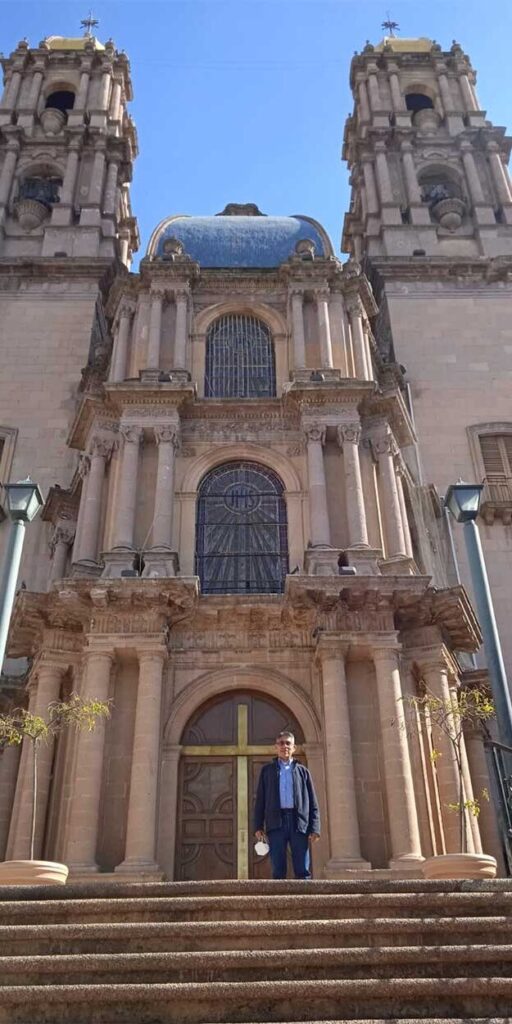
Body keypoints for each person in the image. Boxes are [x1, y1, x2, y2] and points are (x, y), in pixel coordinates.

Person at [254, 730, 320, 879]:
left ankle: (304, 900)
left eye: (288, 743)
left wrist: (315, 827)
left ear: (294, 748)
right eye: (281, 743)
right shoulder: (267, 771)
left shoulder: (303, 772)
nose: (285, 746)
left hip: (298, 823)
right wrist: (258, 826)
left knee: (302, 868)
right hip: (276, 822)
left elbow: (312, 801)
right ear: (276, 747)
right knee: (278, 868)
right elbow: (260, 800)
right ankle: (279, 900)